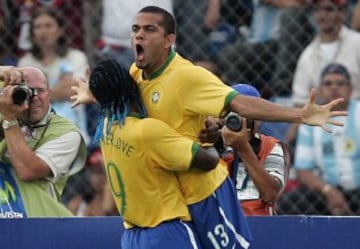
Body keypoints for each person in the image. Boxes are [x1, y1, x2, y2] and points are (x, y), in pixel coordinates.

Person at [128, 5, 346, 249]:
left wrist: (297, 116)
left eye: (149, 29)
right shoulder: (136, 73)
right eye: (135, 29)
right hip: (170, 199)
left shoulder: (188, 78)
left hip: (215, 205)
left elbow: (269, 193)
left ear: (169, 40)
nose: (139, 35)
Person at [71, 58, 221, 249]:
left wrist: (94, 94)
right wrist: (210, 137)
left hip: (133, 237)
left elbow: (110, 101)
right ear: (130, 83)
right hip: (166, 233)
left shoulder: (107, 126)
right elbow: (209, 161)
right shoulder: (146, 132)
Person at [0, 65, 87, 218]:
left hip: (40, 222)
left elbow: (28, 170)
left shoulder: (66, 132)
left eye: (40, 91)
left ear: (49, 93)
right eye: (25, 90)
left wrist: (10, 120)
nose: (33, 97)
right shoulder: (5, 110)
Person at [277, 63, 360, 215]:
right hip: (326, 190)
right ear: (320, 90)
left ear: (351, 88)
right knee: (291, 202)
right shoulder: (311, 120)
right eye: (328, 84)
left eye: (341, 83)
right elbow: (303, 170)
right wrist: (327, 190)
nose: (334, 87)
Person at [17, 5, 90, 143]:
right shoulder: (25, 61)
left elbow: (73, 91)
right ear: (32, 32)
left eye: (48, 25)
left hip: (71, 127)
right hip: (34, 130)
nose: (43, 31)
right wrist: (58, 90)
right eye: (38, 27)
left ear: (60, 30)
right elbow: (24, 99)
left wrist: (38, 94)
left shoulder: (76, 57)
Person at [221, 84, 290, 215]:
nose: (240, 120)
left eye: (247, 114)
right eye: (234, 113)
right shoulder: (213, 143)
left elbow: (270, 194)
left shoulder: (271, 146)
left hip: (257, 221)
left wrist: (243, 149)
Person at [291, 0, 360, 107]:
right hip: (323, 118)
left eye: (329, 9)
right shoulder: (308, 55)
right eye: (317, 9)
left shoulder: (357, 43)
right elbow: (300, 102)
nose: (322, 15)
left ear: (342, 12)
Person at [66, 146, 109, 216]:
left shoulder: (113, 206)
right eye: (93, 171)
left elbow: (107, 208)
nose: (97, 178)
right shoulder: (76, 205)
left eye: (100, 171)